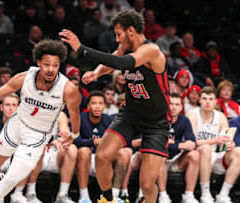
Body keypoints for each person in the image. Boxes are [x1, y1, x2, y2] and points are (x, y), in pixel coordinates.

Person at [59, 9, 170, 203]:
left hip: (156, 121)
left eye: (119, 34)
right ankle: (109, 199)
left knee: (146, 184)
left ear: (130, 31)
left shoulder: (151, 51)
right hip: (131, 114)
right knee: (101, 156)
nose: (117, 39)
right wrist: (96, 73)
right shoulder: (124, 48)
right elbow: (112, 61)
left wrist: (81, 48)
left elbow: (121, 62)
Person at [0, 39, 81, 203]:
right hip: (16, 125)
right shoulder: (23, 78)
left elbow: (75, 113)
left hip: (37, 136)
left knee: (10, 180)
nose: (51, 69)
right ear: (38, 63)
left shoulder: (68, 89)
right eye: (46, 64)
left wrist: (74, 133)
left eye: (55, 65)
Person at [186, 86, 240, 203]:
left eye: (211, 99)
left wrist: (230, 144)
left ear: (216, 101)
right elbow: (191, 143)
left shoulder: (221, 116)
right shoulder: (192, 115)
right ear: (199, 100)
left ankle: (223, 195)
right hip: (197, 157)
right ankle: (205, 193)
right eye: (205, 98)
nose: (208, 102)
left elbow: (226, 139)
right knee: (206, 148)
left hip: (216, 157)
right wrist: (214, 141)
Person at [74, 91, 131, 203]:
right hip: (85, 160)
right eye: (94, 103)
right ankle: (84, 196)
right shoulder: (80, 118)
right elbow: (74, 140)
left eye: (100, 103)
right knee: (84, 151)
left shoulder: (109, 120)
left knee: (124, 153)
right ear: (88, 106)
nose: (97, 106)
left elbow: (122, 140)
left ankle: (113, 196)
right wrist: (92, 142)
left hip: (104, 159)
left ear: (104, 106)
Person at [157, 93, 199, 203]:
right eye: (171, 104)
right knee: (160, 153)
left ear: (181, 107)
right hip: (159, 161)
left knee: (195, 154)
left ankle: (189, 195)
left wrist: (174, 144)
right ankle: (162, 195)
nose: (174, 107)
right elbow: (155, 144)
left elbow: (192, 144)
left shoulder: (184, 120)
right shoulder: (157, 119)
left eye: (177, 104)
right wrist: (180, 144)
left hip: (177, 160)